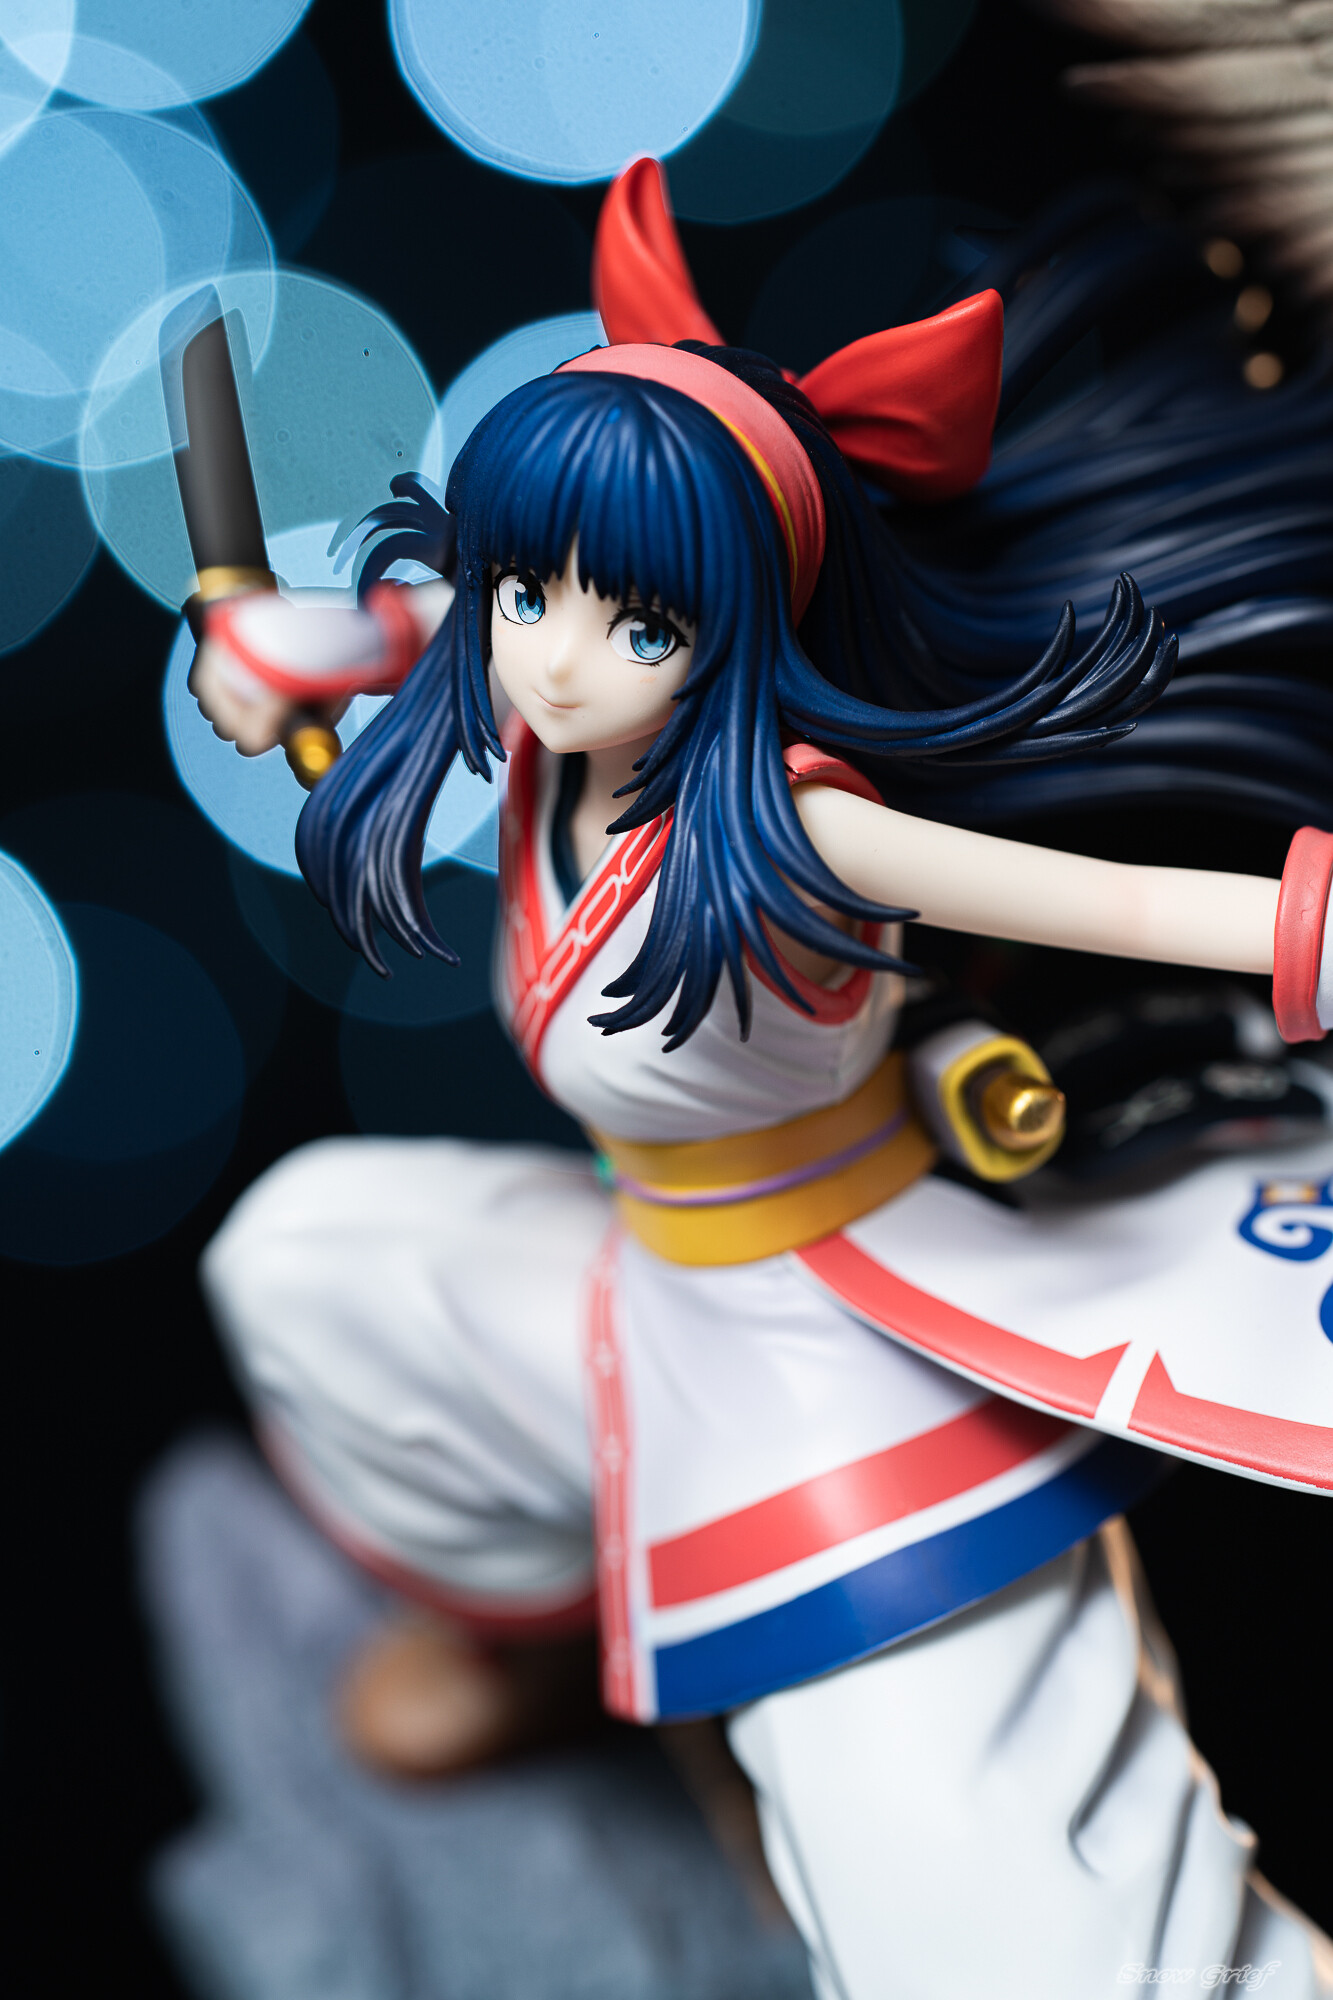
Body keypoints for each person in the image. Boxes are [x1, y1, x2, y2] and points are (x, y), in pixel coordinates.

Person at [191, 162, 1333, 1997]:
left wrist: (1308, 932)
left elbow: (1124, 905)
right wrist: (276, 650)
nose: (559, 661)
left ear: (733, 627)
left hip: (834, 1367)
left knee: (1007, 1955)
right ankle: (559, 1620)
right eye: (527, 589)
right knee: (315, 1268)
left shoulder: (805, 827)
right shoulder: (542, 703)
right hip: (646, 1288)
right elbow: (406, 630)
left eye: (638, 623)